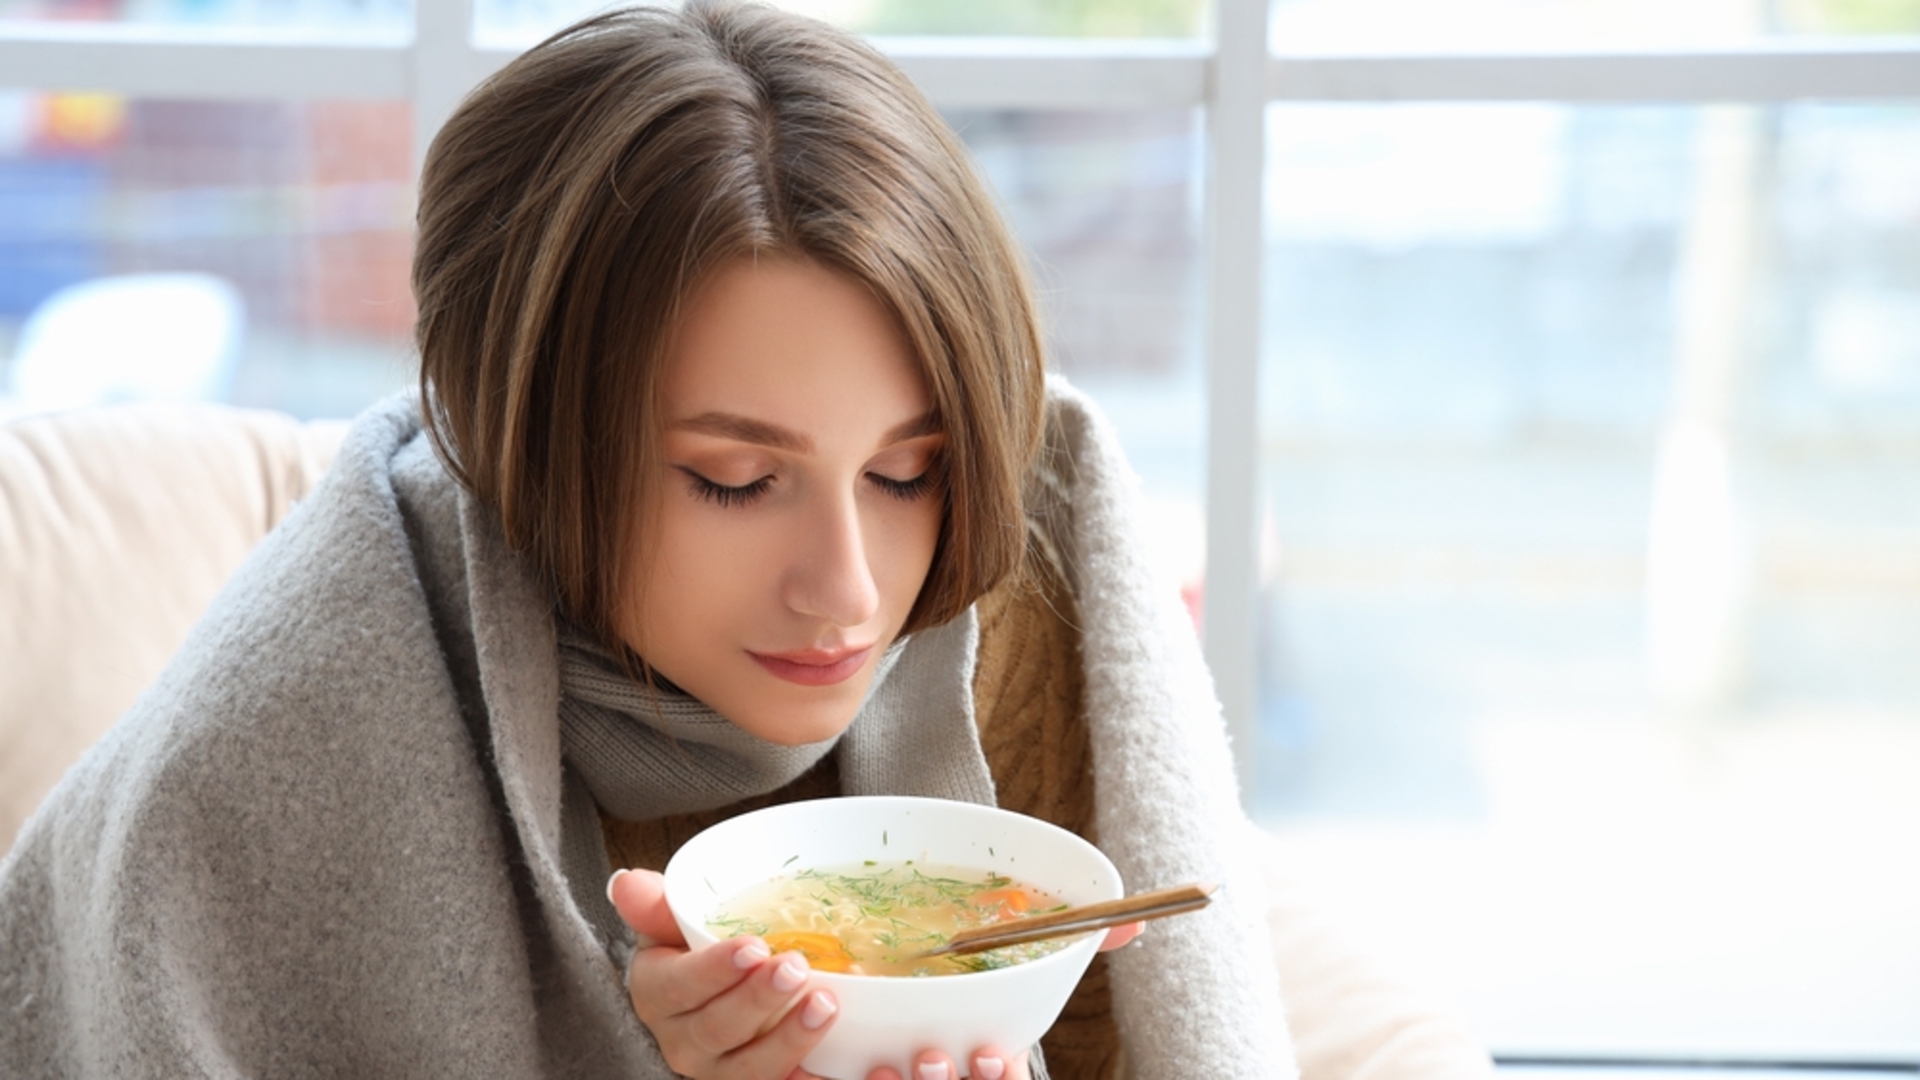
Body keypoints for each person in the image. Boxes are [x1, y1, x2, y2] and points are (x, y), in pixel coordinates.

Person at [0, 3, 1489, 1078]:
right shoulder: (262, 780)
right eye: (730, 480)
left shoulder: (1017, 618)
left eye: (906, 472)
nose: (851, 593)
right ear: (520, 445)